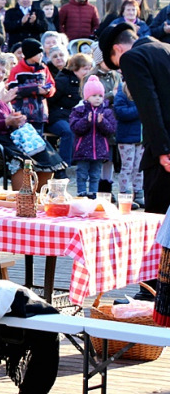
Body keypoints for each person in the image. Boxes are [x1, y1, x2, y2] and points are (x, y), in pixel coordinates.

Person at [100, 22, 170, 301]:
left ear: (117, 49)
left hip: (163, 151)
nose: (120, 70)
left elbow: (148, 106)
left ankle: (152, 291)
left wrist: (163, 150)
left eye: (115, 63)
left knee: (155, 222)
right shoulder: (165, 47)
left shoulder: (133, 57)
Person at [0, 72, 62, 190]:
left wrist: (17, 120)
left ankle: (39, 195)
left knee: (46, 153)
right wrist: (6, 122)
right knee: (20, 160)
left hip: (10, 140)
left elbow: (8, 119)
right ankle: (23, 199)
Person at [69, 76, 116, 198]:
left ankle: (94, 194)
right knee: (82, 173)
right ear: (87, 96)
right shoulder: (79, 110)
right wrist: (86, 120)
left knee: (95, 174)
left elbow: (111, 130)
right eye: (94, 95)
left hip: (99, 150)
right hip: (83, 149)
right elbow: (75, 128)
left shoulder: (107, 112)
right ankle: (81, 192)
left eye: (100, 96)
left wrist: (102, 122)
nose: (98, 98)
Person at [48, 53, 93, 166]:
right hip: (58, 116)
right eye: (85, 69)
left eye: (89, 68)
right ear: (75, 68)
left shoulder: (86, 83)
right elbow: (50, 101)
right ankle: (63, 165)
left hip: (74, 116)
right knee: (68, 131)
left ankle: (85, 163)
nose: (87, 71)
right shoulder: (63, 81)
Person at [7, 38, 55, 135]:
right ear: (30, 54)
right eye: (39, 53)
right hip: (22, 114)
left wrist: (48, 90)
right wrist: (35, 90)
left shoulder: (44, 68)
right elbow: (13, 90)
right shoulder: (17, 70)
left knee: (38, 142)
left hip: (39, 115)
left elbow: (52, 85)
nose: (42, 55)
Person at [114, 81, 145, 208]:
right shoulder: (122, 93)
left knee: (139, 167)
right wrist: (140, 108)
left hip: (141, 137)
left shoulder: (144, 92)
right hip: (126, 137)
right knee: (127, 167)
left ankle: (138, 194)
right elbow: (121, 112)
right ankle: (124, 195)